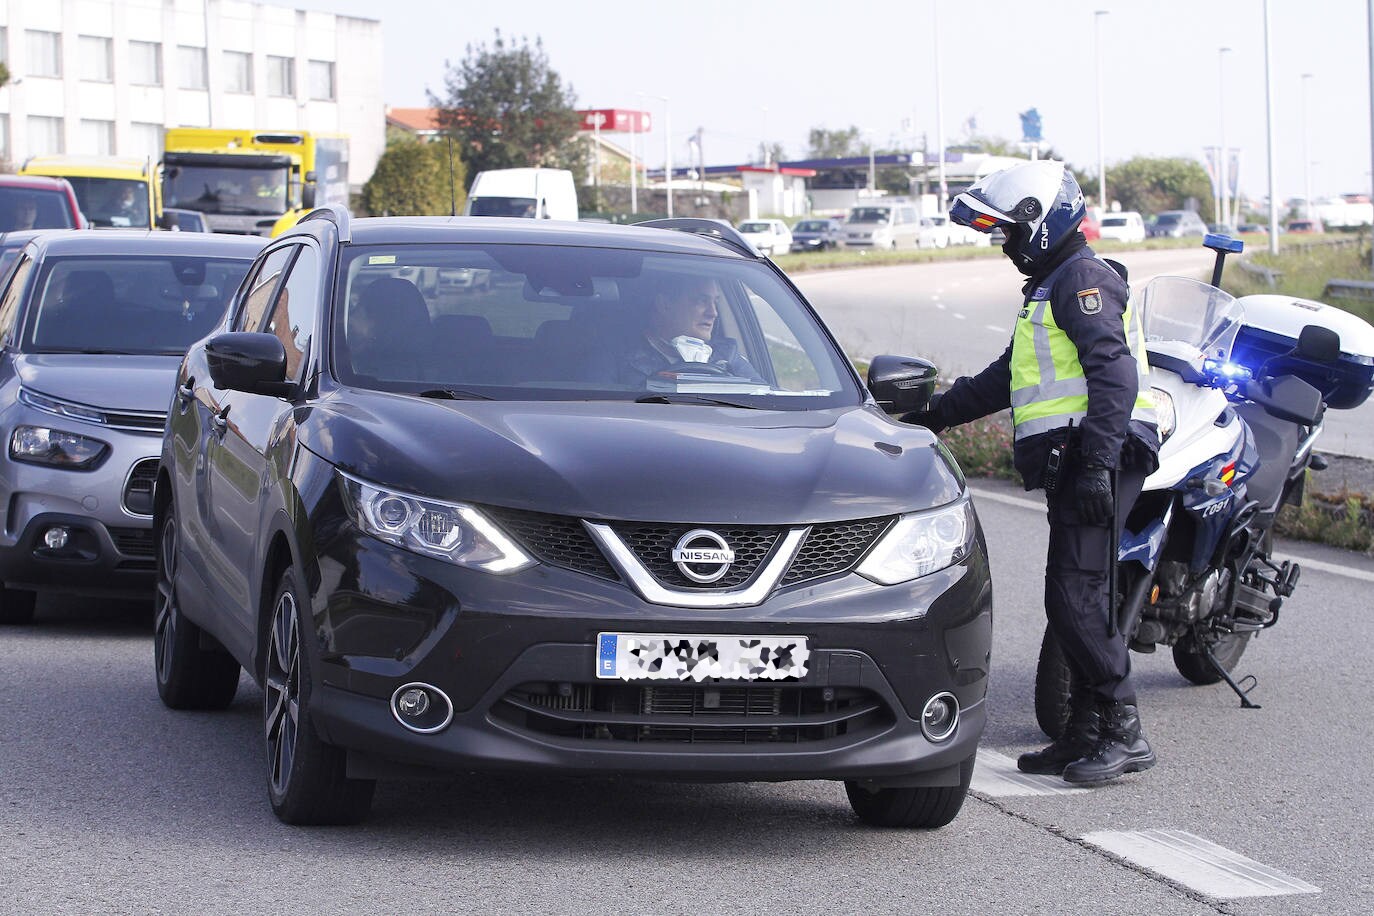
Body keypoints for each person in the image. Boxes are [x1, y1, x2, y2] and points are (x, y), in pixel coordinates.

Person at [911, 160, 1160, 785]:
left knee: (1075, 597)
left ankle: (1126, 731)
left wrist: (1099, 466)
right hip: (1080, 458)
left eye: (1010, 232)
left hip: (1100, 454)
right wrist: (934, 414)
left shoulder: (1081, 281)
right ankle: (1083, 732)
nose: (1005, 246)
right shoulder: (1050, 288)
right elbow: (1008, 376)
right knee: (1074, 597)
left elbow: (1115, 374)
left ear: (1041, 222)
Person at [618, 273, 762, 385]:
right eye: (701, 301)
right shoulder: (619, 359)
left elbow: (764, 399)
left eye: (715, 302)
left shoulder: (727, 356)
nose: (713, 313)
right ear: (664, 305)